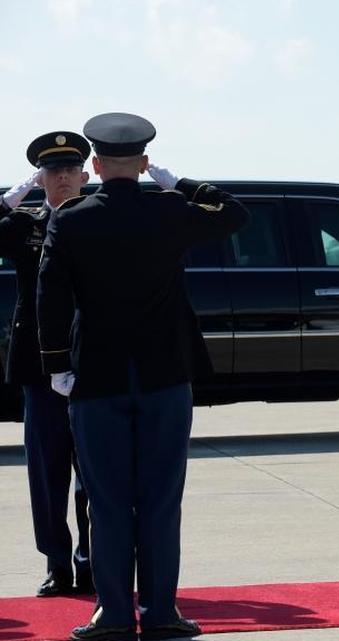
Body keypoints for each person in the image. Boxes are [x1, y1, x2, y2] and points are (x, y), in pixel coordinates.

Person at [37, 112, 249, 641]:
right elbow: (233, 213)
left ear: (95, 165)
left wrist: (58, 366)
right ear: (145, 164)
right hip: (164, 376)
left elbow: (51, 298)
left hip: (97, 378)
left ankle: (111, 613)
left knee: (107, 500)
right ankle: (159, 614)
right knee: (159, 499)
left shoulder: (71, 218)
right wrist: (180, 184)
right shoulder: (171, 211)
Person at [0, 131, 93, 597]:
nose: (61, 177)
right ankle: (57, 562)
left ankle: (91, 558)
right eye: (52, 170)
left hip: (94, 365)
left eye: (69, 169)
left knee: (93, 473)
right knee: (47, 472)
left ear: (85, 174)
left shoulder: (100, 223)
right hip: (38, 370)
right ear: (41, 176)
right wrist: (16, 194)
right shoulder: (27, 226)